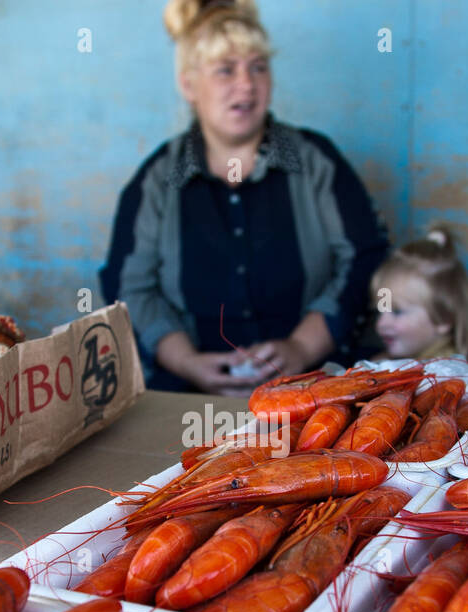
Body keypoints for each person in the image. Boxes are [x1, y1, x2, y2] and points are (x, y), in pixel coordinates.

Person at [99, 0, 389, 395]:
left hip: (316, 390)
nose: (247, 84)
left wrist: (302, 347)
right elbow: (127, 286)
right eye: (225, 70)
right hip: (188, 397)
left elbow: (364, 259)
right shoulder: (157, 181)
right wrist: (187, 363)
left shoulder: (317, 162)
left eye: (258, 66)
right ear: (188, 84)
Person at [369, 223, 468, 362]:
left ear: (443, 317)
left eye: (397, 312)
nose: (381, 324)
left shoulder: (452, 371)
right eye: (379, 311)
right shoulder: (387, 360)